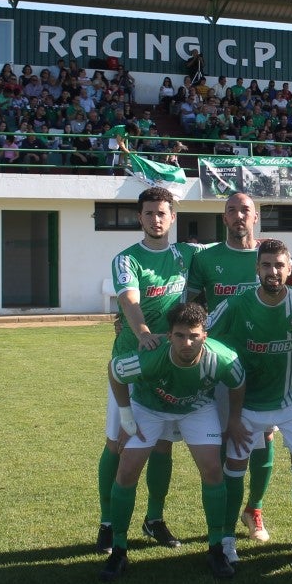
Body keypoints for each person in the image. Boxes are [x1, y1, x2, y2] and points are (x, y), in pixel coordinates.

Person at [100, 302, 250, 582]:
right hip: (149, 407)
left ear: (205, 335)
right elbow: (115, 371)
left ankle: (216, 548)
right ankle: (118, 550)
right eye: (180, 336)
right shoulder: (151, 357)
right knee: (127, 469)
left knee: (212, 469)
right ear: (169, 336)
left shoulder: (223, 358)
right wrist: (126, 416)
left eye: (194, 336)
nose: (187, 343)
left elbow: (238, 383)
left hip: (197, 408)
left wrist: (234, 420)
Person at [206, 239, 292, 567]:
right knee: (235, 469)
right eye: (266, 265)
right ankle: (227, 538)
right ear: (257, 269)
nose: (273, 271)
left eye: (279, 265)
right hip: (247, 403)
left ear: (289, 269)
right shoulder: (236, 304)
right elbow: (201, 334)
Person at [96, 187, 202, 555]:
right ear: (139, 218)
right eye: (149, 213)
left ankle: (154, 518)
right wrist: (142, 333)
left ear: (173, 217)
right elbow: (129, 299)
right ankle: (108, 522)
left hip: (170, 363)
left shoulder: (188, 255)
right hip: (131, 361)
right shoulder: (127, 259)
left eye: (162, 213)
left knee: (162, 444)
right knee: (117, 442)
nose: (156, 219)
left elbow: (230, 257)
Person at [187, 193, 281, 545]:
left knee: (264, 437)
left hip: (265, 362)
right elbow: (191, 309)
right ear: (224, 218)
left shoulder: (271, 256)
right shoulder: (206, 259)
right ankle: (226, 515)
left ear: (255, 217)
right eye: (232, 210)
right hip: (222, 365)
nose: (239, 216)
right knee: (229, 437)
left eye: (245, 210)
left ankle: (254, 508)